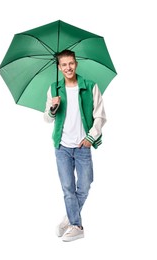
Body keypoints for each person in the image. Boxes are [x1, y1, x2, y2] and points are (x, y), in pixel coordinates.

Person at [43, 50, 106, 242]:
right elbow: (46, 118)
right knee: (68, 187)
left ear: (76, 64)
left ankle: (69, 217)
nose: (68, 67)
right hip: (62, 147)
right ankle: (77, 226)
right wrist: (53, 108)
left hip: (82, 146)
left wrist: (90, 137)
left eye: (71, 63)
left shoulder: (90, 86)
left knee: (85, 185)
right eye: (64, 65)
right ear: (59, 67)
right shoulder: (53, 89)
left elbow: (101, 116)